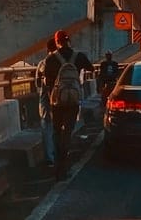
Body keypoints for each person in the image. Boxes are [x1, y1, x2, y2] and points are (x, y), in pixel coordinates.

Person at [43, 30, 94, 179]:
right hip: (73, 100)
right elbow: (91, 68)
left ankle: (57, 165)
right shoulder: (78, 56)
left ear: (57, 42)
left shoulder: (51, 58)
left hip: (56, 101)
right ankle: (64, 166)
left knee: (56, 131)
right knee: (68, 131)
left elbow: (46, 81)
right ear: (69, 41)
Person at [36, 38, 58, 167]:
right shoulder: (64, 63)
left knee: (47, 128)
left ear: (47, 49)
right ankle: (61, 154)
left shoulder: (42, 63)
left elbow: (38, 84)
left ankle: (50, 158)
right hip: (61, 100)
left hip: (46, 101)